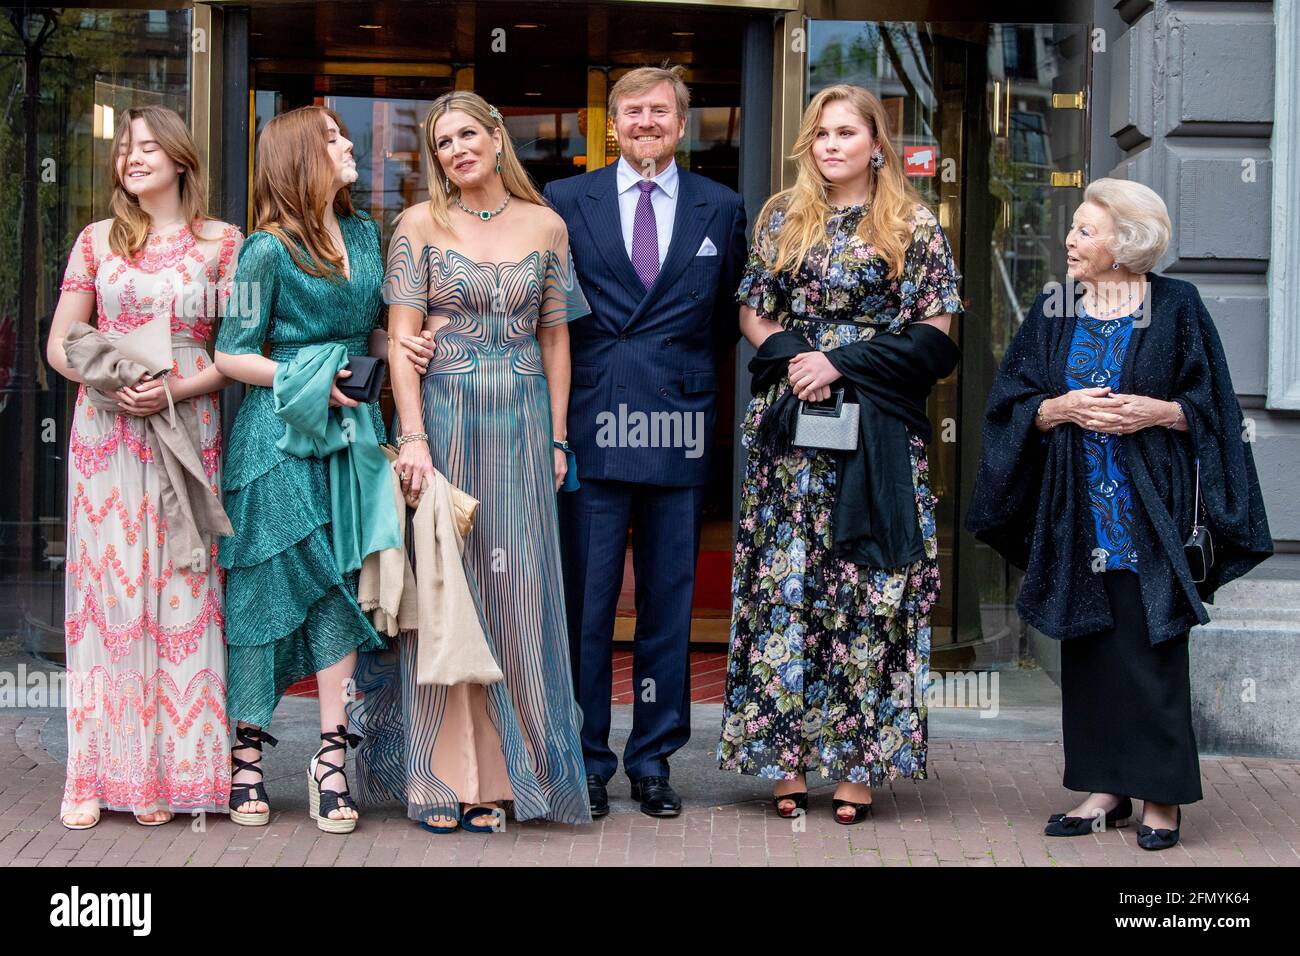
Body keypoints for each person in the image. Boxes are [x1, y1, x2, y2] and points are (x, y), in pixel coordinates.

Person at [967, 177, 1273, 850]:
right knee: (1090, 645)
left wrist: (1159, 412)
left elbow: (1215, 408)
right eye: (1073, 228)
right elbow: (1012, 404)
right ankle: (1106, 788)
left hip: (1149, 510)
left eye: (1084, 229)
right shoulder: (1056, 308)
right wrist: (1061, 409)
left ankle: (1161, 796)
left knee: (1152, 644)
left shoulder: (1176, 306)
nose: (1069, 241)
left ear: (1125, 241)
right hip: (1075, 509)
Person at [716, 84, 962, 825]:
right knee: (786, 589)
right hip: (792, 434)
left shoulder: (913, 224)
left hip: (878, 430)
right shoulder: (782, 217)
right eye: (820, 133)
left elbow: (937, 334)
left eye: (845, 133)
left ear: (876, 143)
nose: (830, 145)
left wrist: (841, 362)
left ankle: (859, 765)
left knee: (866, 594)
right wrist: (797, 355)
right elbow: (753, 309)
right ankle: (783, 758)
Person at [367, 91, 592, 831]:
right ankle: (440, 781)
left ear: (498, 139)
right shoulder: (416, 225)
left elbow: (557, 339)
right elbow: (402, 340)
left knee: (519, 599)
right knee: (446, 595)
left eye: (468, 134)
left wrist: (559, 439)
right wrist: (414, 436)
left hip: (524, 425)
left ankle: (510, 776)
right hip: (448, 422)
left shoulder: (548, 226)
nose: (457, 149)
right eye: (441, 142)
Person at [541, 64, 748, 818]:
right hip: (592, 422)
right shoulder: (566, 200)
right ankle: (588, 758)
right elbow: (550, 313)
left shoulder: (721, 208)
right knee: (588, 606)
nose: (645, 122)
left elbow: (727, 316)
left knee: (669, 604)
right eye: (632, 112)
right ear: (613, 124)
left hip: (679, 423)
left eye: (659, 111)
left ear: (681, 123)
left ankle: (654, 759)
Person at [47, 105, 241, 829]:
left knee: (183, 589)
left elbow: (234, 353)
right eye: (124, 149)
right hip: (106, 434)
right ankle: (95, 775)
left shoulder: (224, 244)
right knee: (111, 595)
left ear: (181, 157)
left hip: (187, 429)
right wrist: (105, 381)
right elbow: (61, 343)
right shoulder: (96, 242)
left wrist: (174, 387)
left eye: (147, 146)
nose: (132, 157)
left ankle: (173, 777)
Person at [214, 105, 398, 834]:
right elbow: (230, 352)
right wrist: (309, 380)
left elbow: (376, 326)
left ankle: (330, 760)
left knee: (338, 588)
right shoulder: (263, 249)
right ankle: (248, 757)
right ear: (300, 156)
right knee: (266, 589)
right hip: (279, 441)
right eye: (333, 137)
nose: (348, 145)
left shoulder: (364, 233)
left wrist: (403, 350)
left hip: (353, 433)